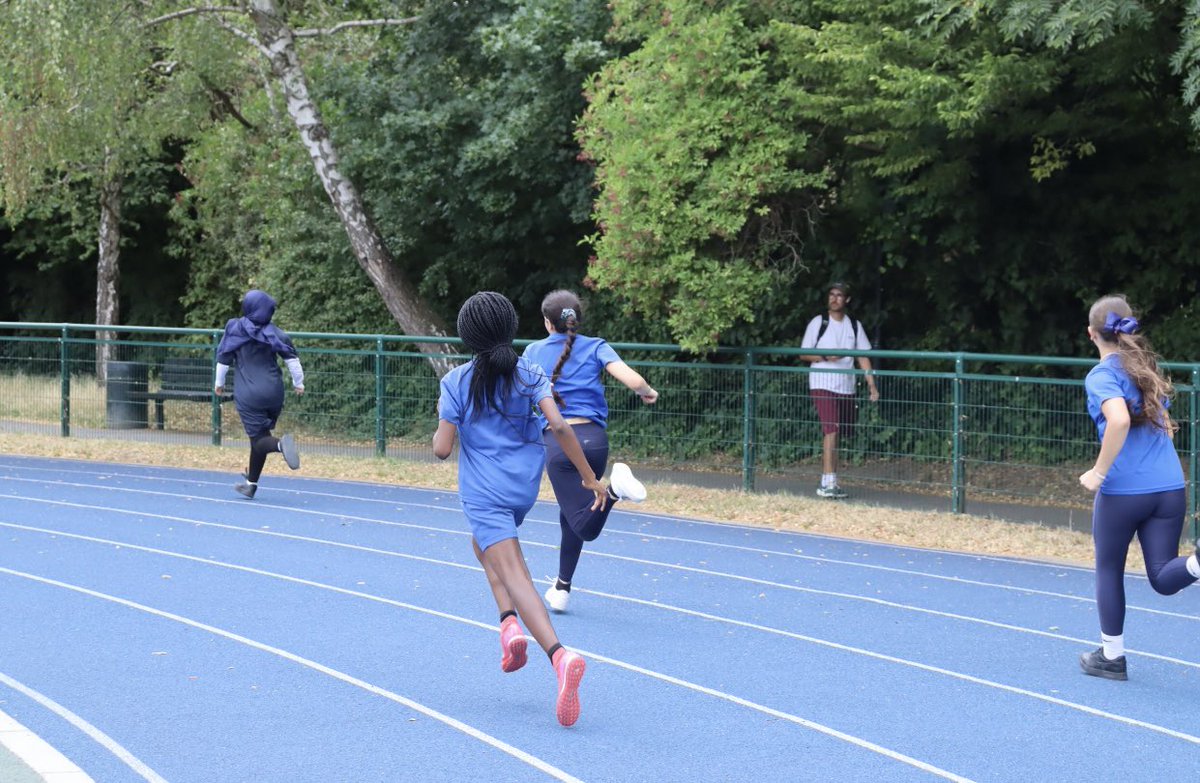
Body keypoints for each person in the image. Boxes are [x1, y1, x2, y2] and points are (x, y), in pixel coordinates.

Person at [432, 291, 603, 727]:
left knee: (514, 572)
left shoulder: (455, 382)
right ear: (510, 328)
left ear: (466, 336)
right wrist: (587, 477)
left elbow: (441, 449)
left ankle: (559, 656)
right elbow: (560, 426)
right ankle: (508, 625)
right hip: (522, 489)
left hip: (484, 492)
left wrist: (445, 418)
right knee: (482, 546)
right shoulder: (529, 372)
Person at [1077, 294, 1200, 680]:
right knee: (1164, 576)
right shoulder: (1145, 367)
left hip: (1125, 491)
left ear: (1091, 334)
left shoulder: (1102, 375)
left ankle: (1112, 657)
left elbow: (1118, 421)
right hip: (1169, 486)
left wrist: (1098, 472)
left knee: (1109, 568)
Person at [523, 289, 657, 614]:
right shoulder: (596, 346)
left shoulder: (532, 351)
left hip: (559, 444)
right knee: (572, 514)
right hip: (595, 441)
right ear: (576, 321)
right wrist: (648, 392)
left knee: (585, 524)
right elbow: (633, 379)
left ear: (546, 323)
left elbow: (519, 395)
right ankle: (562, 586)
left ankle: (613, 491)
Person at [214, 289, 304, 499]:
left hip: (249, 394)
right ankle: (250, 484)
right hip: (274, 393)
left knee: (261, 440)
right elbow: (293, 360)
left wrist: (219, 384)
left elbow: (223, 358)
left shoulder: (234, 328)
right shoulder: (276, 333)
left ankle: (281, 445)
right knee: (259, 438)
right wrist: (299, 384)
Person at [799, 281, 879, 499]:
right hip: (822, 382)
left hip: (845, 385)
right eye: (832, 295)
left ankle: (831, 478)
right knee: (831, 429)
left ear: (847, 300)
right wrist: (825, 356)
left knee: (838, 433)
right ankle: (828, 482)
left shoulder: (854, 326)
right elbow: (804, 354)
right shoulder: (819, 322)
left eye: (839, 295)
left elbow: (863, 355)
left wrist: (871, 384)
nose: (834, 299)